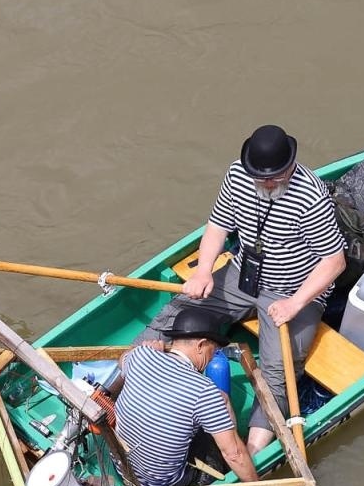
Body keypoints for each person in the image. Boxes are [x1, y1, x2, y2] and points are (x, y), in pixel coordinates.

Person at [137, 124, 347, 456]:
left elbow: (334, 262)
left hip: (294, 289)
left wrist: (294, 304)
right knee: (176, 313)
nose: (266, 183)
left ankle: (249, 452)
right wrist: (204, 271)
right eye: (260, 176)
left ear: (290, 166)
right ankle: (114, 387)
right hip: (243, 274)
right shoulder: (237, 175)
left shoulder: (311, 195)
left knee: (278, 373)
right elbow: (218, 224)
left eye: (275, 177)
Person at [115, 306, 271, 486]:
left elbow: (122, 359)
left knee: (215, 404)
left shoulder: (141, 355)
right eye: (213, 350)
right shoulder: (204, 391)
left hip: (123, 467)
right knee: (229, 444)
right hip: (161, 484)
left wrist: (147, 348)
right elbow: (232, 453)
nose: (213, 356)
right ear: (201, 345)